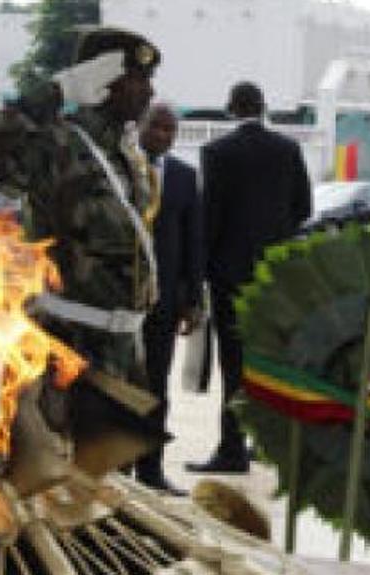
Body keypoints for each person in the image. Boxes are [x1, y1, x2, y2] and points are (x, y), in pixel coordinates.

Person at [0, 27, 163, 460]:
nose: (148, 91)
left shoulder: (128, 154)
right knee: (57, 484)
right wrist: (57, 89)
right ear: (102, 79)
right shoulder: (58, 143)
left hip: (124, 348)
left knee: (109, 491)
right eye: (136, 78)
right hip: (68, 347)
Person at [187, 81, 312, 474]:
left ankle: (231, 448)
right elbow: (303, 207)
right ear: (263, 107)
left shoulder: (216, 153)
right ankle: (265, 441)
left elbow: (210, 218)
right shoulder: (288, 150)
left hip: (230, 276)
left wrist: (201, 274)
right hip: (276, 277)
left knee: (234, 363)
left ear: (230, 108)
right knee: (269, 361)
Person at [136, 103, 204, 494]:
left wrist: (193, 298)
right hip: (122, 303)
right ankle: (114, 471)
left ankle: (151, 470)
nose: (163, 135)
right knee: (120, 387)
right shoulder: (121, 169)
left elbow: (194, 241)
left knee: (157, 387)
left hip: (163, 304)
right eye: (157, 127)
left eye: (170, 130)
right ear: (141, 127)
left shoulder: (183, 177)